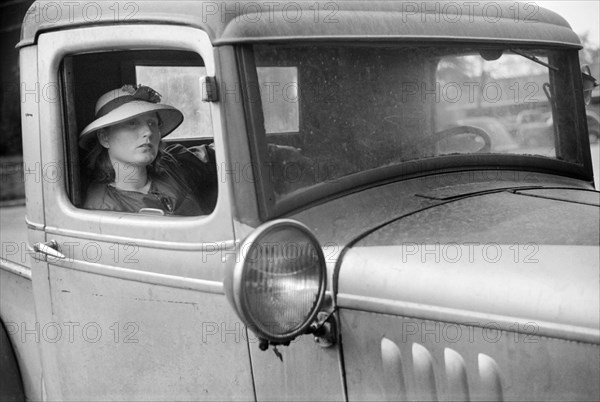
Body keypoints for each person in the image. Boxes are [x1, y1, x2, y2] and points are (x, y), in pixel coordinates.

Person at [79, 84, 217, 216]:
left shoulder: (173, 164)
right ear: (105, 138)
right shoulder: (104, 209)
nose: (148, 132)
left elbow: (220, 155)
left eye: (152, 123)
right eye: (132, 123)